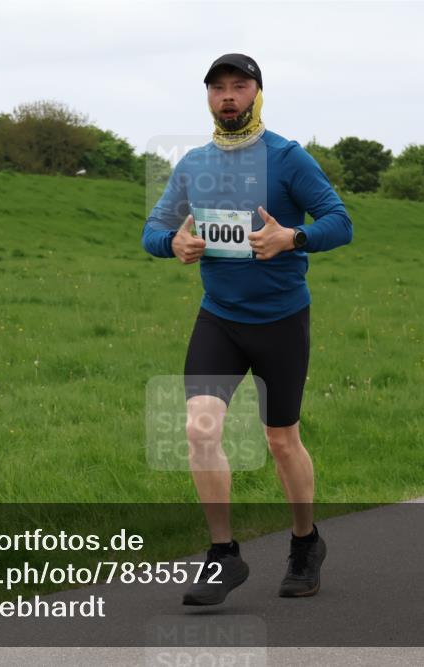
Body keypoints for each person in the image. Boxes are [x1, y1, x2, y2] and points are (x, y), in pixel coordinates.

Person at [141, 53, 353, 605]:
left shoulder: (287, 158)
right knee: (199, 431)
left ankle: (306, 542)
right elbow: (153, 229)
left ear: (258, 93)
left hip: (282, 320)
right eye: (218, 88)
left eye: (240, 86)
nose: (228, 96)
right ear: (208, 98)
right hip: (220, 319)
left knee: (281, 440)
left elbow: (340, 221)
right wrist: (174, 244)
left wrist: (293, 238)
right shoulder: (193, 163)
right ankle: (222, 556)